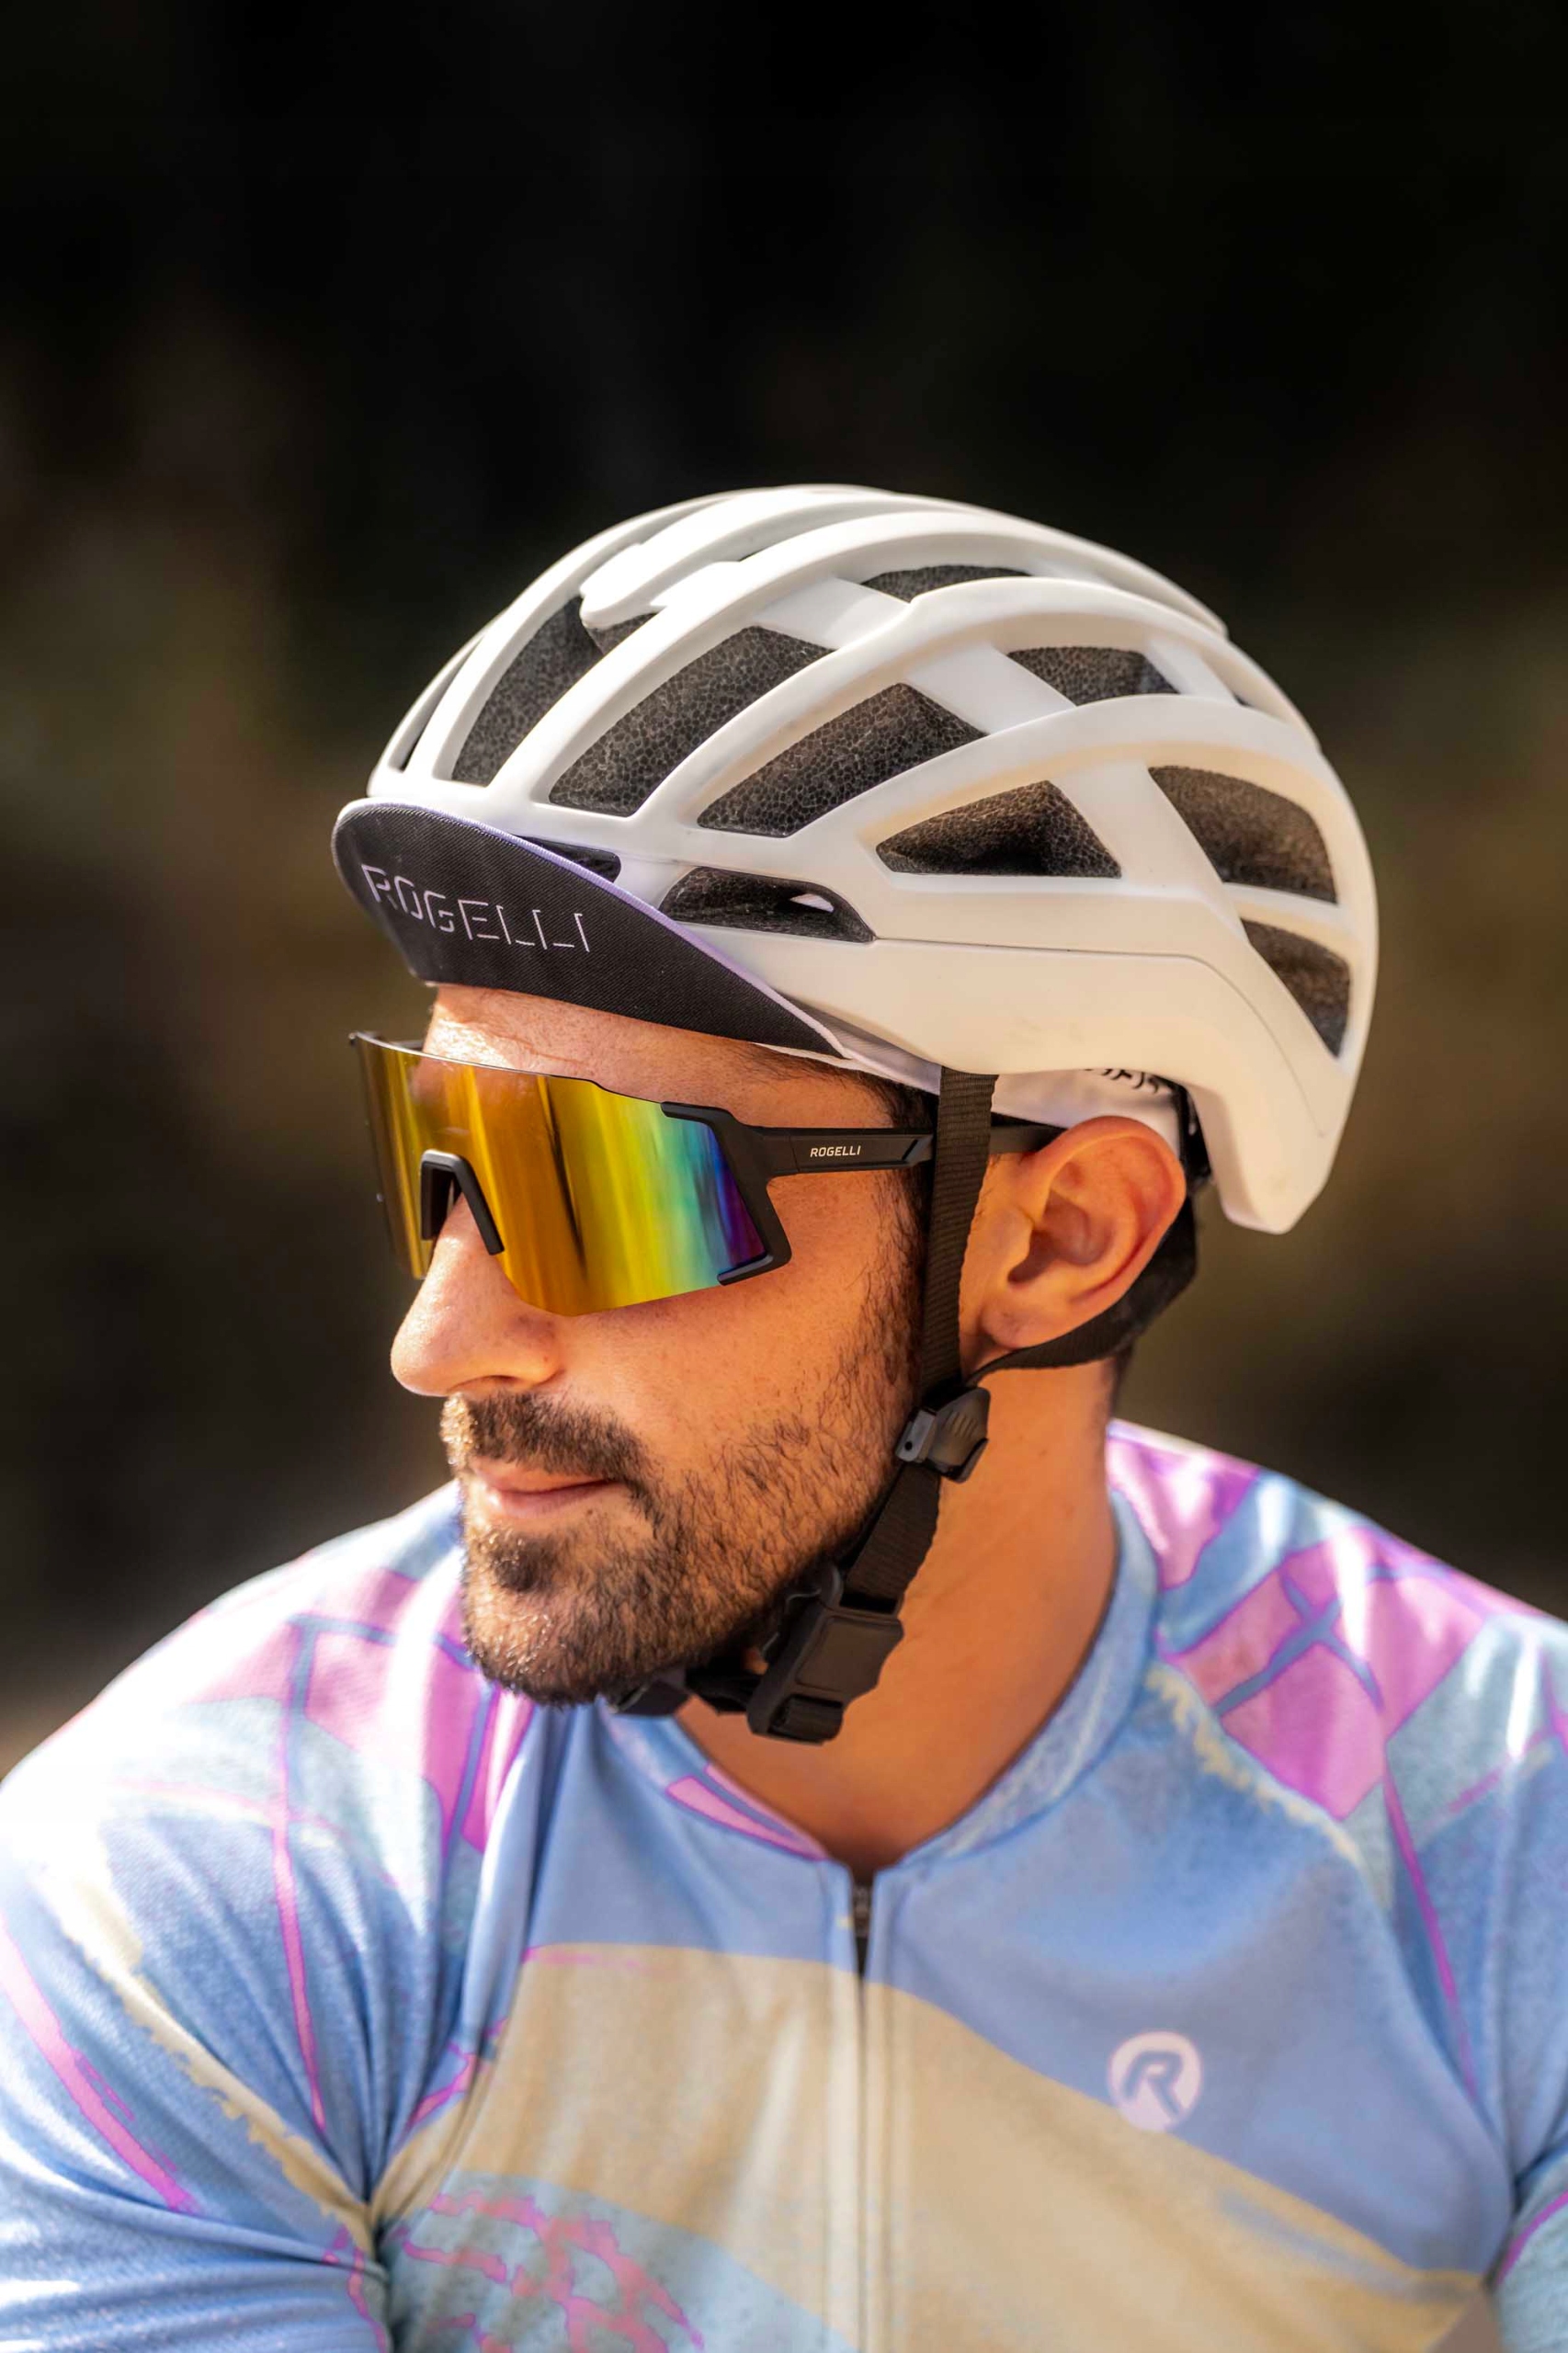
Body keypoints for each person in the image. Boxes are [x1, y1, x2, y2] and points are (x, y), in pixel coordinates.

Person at [0, 485, 1557, 2352]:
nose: (440, 1340)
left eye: (595, 1184)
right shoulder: (203, 1872)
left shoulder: (1503, 1830)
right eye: (438, 1156)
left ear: (1063, 1233)